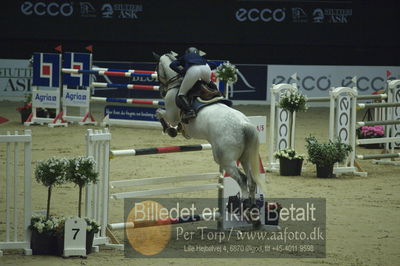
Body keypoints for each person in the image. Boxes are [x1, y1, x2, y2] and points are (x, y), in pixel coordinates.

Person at [169, 47, 216, 121]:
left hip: (193, 70)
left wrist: (182, 72)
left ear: (187, 52)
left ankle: (190, 111)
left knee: (181, 94)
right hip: (206, 68)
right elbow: (214, 65)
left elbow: (172, 65)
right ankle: (218, 94)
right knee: (209, 82)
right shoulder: (200, 57)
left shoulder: (185, 57)